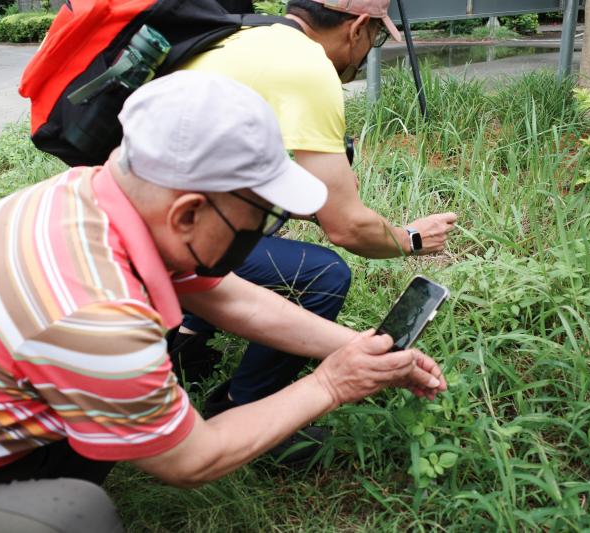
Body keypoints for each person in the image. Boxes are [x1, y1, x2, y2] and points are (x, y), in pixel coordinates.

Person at [0, 72, 447, 532]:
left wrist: (360, 350)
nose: (267, 233)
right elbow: (191, 459)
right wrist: (330, 384)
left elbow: (231, 299)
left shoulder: (92, 195)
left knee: (112, 427)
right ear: (188, 213)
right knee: (77, 514)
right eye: (260, 220)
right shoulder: (95, 309)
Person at [172, 0, 458, 425]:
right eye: (376, 38)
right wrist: (411, 239)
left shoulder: (247, 36)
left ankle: (185, 342)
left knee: (270, 201)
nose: (367, 52)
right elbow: (345, 228)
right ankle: (246, 405)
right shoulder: (308, 67)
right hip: (172, 232)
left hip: (144, 207)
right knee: (323, 276)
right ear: (357, 27)